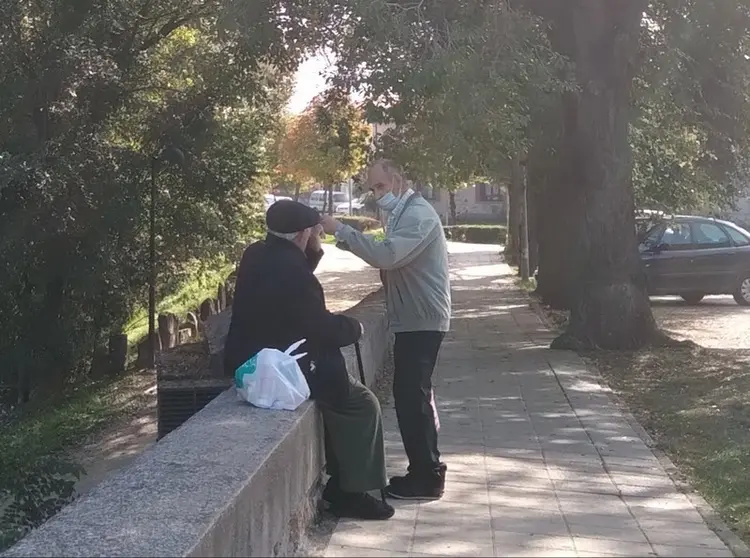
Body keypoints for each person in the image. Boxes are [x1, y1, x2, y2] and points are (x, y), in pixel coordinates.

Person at [224, 199, 394, 520]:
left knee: (340, 393)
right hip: (286, 362)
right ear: (303, 234)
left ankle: (343, 480)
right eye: (314, 233)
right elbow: (318, 326)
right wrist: (352, 328)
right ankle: (350, 490)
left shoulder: (257, 254)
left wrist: (311, 248)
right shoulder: (294, 273)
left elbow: (290, 282)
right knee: (359, 403)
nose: (317, 237)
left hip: (252, 356)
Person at [320, 159, 451, 500]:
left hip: (422, 319)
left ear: (397, 180)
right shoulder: (402, 214)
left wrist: (342, 231)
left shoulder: (418, 215)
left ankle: (427, 476)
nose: (376, 194)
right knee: (412, 395)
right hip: (411, 318)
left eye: (379, 186)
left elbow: (388, 256)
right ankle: (424, 470)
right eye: (372, 188)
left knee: (412, 397)